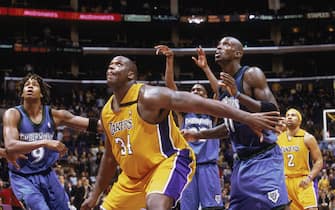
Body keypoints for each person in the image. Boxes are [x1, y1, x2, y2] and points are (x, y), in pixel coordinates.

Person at [80, 55, 281, 210]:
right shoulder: (107, 112)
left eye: (118, 64)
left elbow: (202, 103)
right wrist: (95, 193)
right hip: (132, 177)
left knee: (156, 204)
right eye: (110, 64)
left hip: (168, 162)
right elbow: (108, 157)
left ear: (131, 75)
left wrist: (246, 117)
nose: (111, 66)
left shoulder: (150, 96)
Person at [182, 36, 290, 209]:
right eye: (218, 45)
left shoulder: (251, 74)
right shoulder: (224, 88)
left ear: (238, 53)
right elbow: (230, 127)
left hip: (264, 157)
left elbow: (274, 113)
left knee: (277, 207)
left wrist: (238, 95)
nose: (219, 48)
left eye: (225, 44)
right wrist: (199, 134)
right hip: (241, 162)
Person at [2, 73, 101, 210]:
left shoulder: (54, 115)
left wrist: (115, 126)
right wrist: (45, 142)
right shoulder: (13, 114)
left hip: (47, 173)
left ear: (42, 94)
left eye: (35, 85)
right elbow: (10, 145)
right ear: (22, 93)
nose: (30, 86)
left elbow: (93, 125)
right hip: (22, 177)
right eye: (27, 85)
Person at [155, 44, 224, 210]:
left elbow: (220, 92)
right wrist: (170, 60)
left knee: (212, 208)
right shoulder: (183, 113)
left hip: (208, 167)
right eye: (193, 90)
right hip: (188, 167)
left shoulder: (212, 112)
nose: (196, 91)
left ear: (206, 97)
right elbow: (170, 87)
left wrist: (206, 68)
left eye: (200, 90)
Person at [277, 108, 323, 210]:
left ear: (299, 120)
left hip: (303, 180)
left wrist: (309, 178)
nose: (289, 117)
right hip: (286, 181)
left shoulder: (307, 138)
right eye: (287, 115)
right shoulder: (278, 139)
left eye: (293, 115)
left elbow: (319, 161)